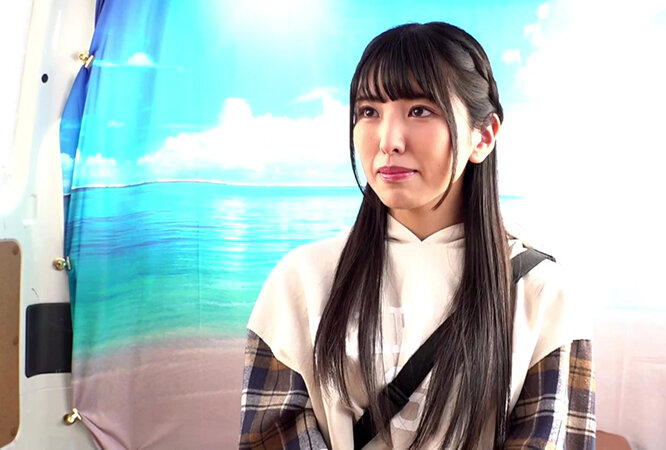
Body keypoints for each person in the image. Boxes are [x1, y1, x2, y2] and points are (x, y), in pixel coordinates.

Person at [240, 22, 595, 449]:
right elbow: (273, 437)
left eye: (420, 110)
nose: (388, 141)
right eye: (369, 112)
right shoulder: (301, 280)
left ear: (483, 137)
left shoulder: (541, 292)